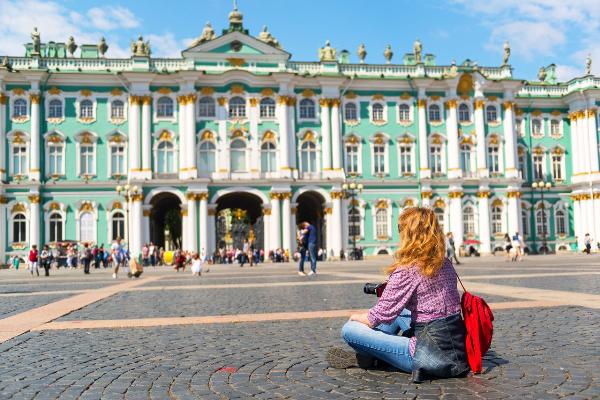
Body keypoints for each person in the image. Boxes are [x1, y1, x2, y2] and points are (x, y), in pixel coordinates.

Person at [326, 207, 469, 382]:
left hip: (427, 355)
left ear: (409, 235)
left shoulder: (408, 270)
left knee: (350, 330)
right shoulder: (445, 263)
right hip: (455, 347)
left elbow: (377, 316)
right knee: (400, 311)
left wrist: (355, 317)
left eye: (401, 231)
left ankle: (373, 356)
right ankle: (378, 352)